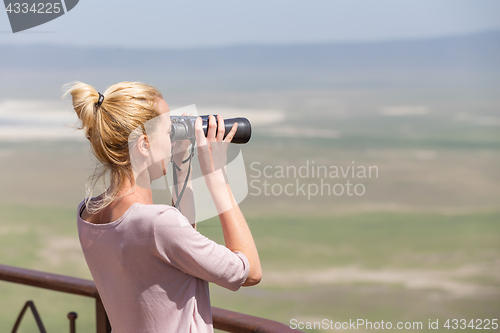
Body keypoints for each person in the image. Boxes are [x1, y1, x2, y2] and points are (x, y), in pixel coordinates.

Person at [65, 81, 262, 333]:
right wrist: (216, 177)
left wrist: (183, 172)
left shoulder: (88, 214)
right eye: (170, 132)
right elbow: (250, 272)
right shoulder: (157, 223)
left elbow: (177, 257)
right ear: (144, 145)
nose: (173, 140)